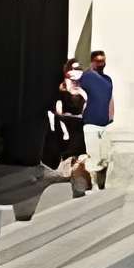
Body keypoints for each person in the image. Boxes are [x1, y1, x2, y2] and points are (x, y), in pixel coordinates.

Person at [40, 59, 97, 194]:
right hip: (59, 156)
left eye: (78, 79)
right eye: (71, 79)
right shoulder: (57, 99)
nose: (75, 83)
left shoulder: (87, 97)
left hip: (78, 155)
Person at [78, 49, 116, 169]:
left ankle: (100, 184)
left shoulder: (108, 80)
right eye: (98, 61)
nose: (101, 63)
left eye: (103, 61)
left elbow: (110, 99)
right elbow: (77, 94)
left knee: (104, 161)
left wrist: (111, 117)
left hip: (105, 125)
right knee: (93, 158)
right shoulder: (85, 77)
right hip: (90, 124)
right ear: (92, 62)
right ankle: (90, 184)